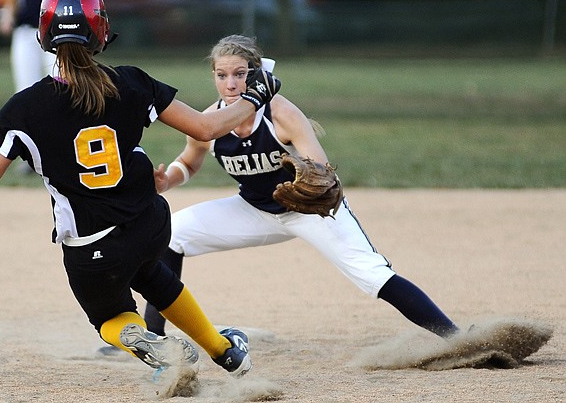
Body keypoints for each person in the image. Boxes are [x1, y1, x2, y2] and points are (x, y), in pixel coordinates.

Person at [0, 0, 281, 378]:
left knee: (111, 315)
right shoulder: (130, 82)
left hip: (92, 246)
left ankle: (136, 335)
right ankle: (225, 352)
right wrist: (254, 97)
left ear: (43, 33)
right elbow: (207, 127)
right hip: (149, 223)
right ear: (102, 31)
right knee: (151, 274)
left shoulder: (25, 107)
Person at [142, 34, 460, 339]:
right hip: (254, 210)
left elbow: (322, 170)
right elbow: (190, 160)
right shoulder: (210, 120)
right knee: (174, 233)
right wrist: (168, 179)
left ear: (255, 76)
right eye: (222, 75)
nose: (231, 83)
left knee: (372, 275)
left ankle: (457, 338)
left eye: (240, 74)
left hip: (309, 211)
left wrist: (311, 181)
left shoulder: (280, 113)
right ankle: (154, 339)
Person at [0, 0, 76, 93]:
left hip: (55, 33)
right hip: (27, 30)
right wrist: (8, 16)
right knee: (26, 87)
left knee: (62, 83)